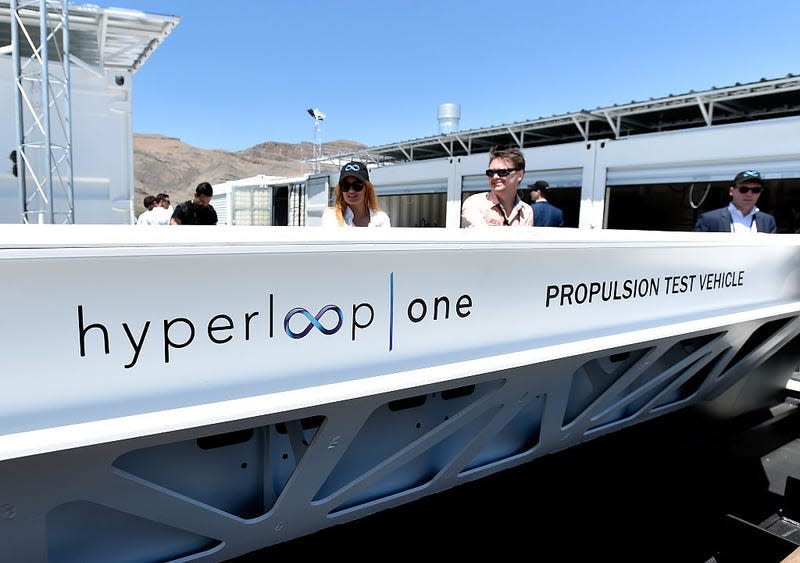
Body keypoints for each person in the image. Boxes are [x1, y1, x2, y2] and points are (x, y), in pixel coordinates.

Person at [461, 145, 533, 227]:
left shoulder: (527, 211)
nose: (495, 177)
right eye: (490, 173)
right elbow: (482, 238)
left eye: (502, 172)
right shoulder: (474, 203)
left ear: (520, 175)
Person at [693, 170, 776, 233]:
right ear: (731, 191)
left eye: (756, 190)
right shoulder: (709, 219)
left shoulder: (767, 220)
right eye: (744, 189)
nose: (749, 194)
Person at [321, 161, 391, 227]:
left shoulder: (381, 219)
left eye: (357, 185)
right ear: (340, 190)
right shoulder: (331, 217)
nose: (351, 191)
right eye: (345, 186)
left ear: (367, 189)